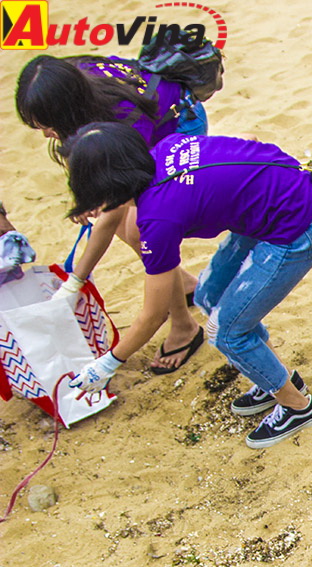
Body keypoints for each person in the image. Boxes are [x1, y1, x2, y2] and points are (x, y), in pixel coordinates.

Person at [62, 122, 312, 449]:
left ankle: (298, 407)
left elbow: (154, 314)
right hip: (279, 202)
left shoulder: (157, 220)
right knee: (207, 295)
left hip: (299, 228)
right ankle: (276, 376)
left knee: (227, 332)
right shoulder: (165, 148)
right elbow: (247, 138)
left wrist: (108, 363)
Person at [16, 54, 211, 373]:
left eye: (47, 125)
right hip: (137, 132)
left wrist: (74, 281)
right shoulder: (72, 79)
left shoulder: (121, 118)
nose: (45, 133)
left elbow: (117, 202)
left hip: (179, 124)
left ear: (64, 111)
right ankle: (183, 285)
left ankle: (184, 328)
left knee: (139, 229)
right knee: (125, 223)